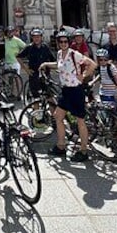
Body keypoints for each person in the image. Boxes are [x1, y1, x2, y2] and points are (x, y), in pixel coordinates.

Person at [40, 31, 96, 162]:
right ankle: (61, 146)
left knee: (80, 121)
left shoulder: (74, 54)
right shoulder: (60, 54)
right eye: (61, 42)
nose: (63, 44)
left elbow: (92, 64)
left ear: (68, 42)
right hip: (65, 91)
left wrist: (84, 75)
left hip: (76, 90)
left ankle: (83, 150)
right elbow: (59, 65)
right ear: (58, 43)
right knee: (58, 116)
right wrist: (46, 64)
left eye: (65, 42)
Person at [16, 29, 55, 98]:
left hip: (45, 74)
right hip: (34, 74)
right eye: (34, 37)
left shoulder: (45, 47)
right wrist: (26, 69)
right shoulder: (29, 47)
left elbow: (53, 59)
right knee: (35, 96)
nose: (36, 39)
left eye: (38, 37)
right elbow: (18, 57)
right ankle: (36, 109)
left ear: (41, 37)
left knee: (49, 95)